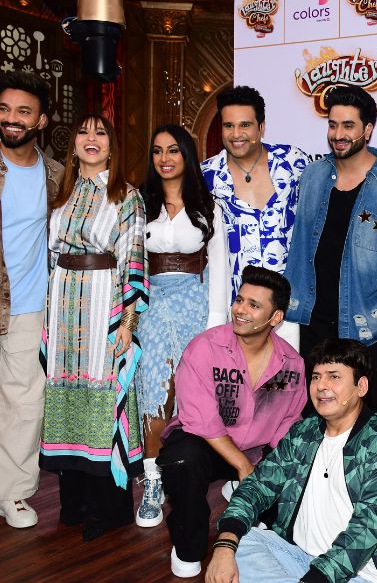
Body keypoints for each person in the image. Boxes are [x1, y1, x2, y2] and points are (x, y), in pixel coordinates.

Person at [205, 338, 377, 583]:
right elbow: (258, 485)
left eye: (334, 377)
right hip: (299, 558)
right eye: (316, 377)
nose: (321, 386)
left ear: (361, 387)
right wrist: (225, 544)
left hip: (362, 574)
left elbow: (366, 529)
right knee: (240, 540)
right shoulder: (303, 432)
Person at [39, 113, 149, 541]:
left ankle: (110, 508)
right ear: (72, 144)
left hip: (105, 303)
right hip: (63, 306)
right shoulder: (60, 192)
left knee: (102, 399)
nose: (91, 138)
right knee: (66, 395)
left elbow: (134, 258)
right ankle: (75, 503)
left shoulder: (126, 196)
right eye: (83, 132)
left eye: (100, 132)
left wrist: (128, 322)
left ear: (111, 145)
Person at [158, 265, 305, 578]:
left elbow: (288, 423)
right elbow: (201, 419)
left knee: (294, 473)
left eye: (253, 305)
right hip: (204, 443)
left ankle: (253, 507)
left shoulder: (292, 364)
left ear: (276, 317)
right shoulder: (204, 347)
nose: (240, 310)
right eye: (239, 300)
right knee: (182, 460)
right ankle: (188, 547)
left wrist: (285, 470)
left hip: (256, 449)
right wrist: (242, 465)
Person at [134, 124, 231, 528]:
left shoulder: (209, 206)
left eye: (173, 150)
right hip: (153, 305)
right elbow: (131, 262)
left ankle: (187, 475)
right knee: (155, 389)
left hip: (196, 304)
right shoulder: (139, 204)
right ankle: (153, 479)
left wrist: (214, 327)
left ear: (187, 156)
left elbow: (220, 268)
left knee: (191, 394)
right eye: (157, 151)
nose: (165, 158)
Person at [284, 85, 377, 414]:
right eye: (333, 125)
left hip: (366, 328)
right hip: (312, 326)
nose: (338, 134)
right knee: (311, 423)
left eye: (348, 125)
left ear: (368, 129)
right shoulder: (312, 175)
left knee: (363, 427)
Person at [0, 71, 62, 528]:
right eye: (4, 109)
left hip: (28, 304)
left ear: (41, 120)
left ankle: (14, 493)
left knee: (24, 402)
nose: (11, 119)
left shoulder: (56, 173)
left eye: (23, 111)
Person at [202, 85, 309, 349]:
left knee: (289, 373)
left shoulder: (292, 162)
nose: (236, 134)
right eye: (228, 126)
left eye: (245, 125)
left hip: (290, 306)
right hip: (239, 309)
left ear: (261, 127)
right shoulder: (207, 175)